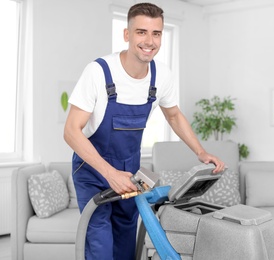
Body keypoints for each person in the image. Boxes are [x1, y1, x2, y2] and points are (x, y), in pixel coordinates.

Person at [63, 2, 225, 260]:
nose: (149, 41)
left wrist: (201, 152)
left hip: (130, 169)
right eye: (141, 32)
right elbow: (71, 131)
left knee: (126, 242)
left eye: (156, 33)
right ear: (127, 35)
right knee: (100, 243)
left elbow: (173, 115)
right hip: (93, 170)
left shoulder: (161, 76)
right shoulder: (99, 72)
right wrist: (109, 173)